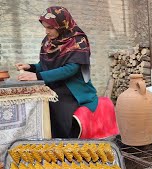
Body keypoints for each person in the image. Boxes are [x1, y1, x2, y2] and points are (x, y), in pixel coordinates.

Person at [15, 6, 98, 138]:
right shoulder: (49, 42)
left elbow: (71, 69)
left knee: (54, 101)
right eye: (45, 27)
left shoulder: (78, 41)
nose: (46, 31)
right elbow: (46, 65)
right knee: (37, 97)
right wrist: (31, 67)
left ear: (61, 25)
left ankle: (64, 142)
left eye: (50, 27)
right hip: (54, 82)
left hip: (73, 87)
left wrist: (37, 76)